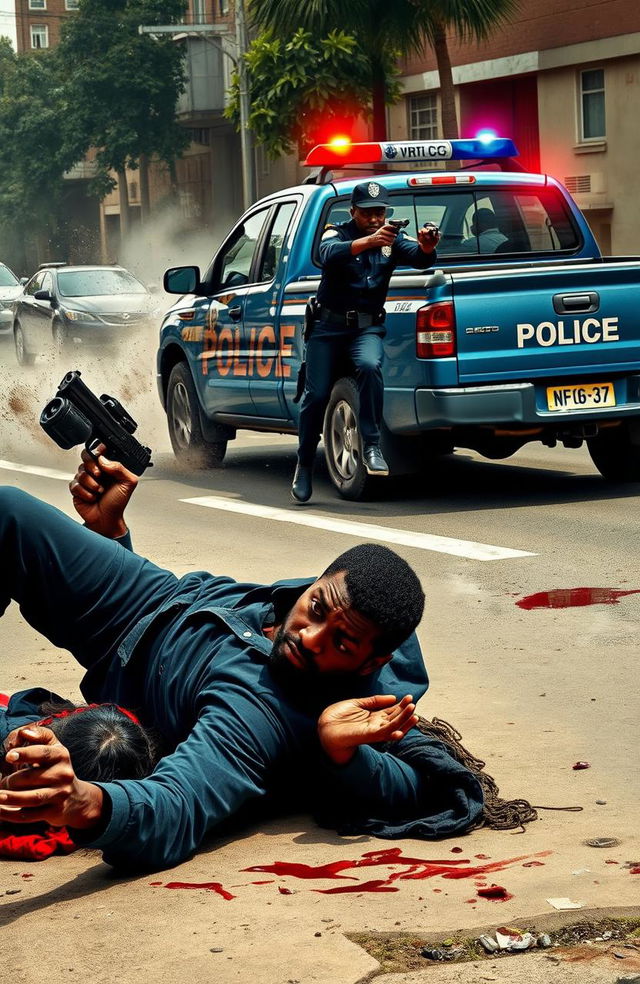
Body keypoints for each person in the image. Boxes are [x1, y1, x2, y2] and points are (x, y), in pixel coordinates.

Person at [0, 452, 482, 870]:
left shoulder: (266, 715)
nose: (309, 637)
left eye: (340, 643)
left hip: (129, 658)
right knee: (9, 510)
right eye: (316, 608)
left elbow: (177, 804)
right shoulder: (320, 604)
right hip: (150, 596)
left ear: (366, 664)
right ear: (315, 583)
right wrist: (111, 538)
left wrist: (80, 802)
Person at [291, 182, 440, 503]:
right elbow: (326, 254)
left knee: (370, 366)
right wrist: (368, 242)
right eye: (368, 213)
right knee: (315, 396)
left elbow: (419, 258)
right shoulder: (338, 232)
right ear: (353, 212)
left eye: (380, 212)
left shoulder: (392, 238)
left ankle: (371, 446)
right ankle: (303, 463)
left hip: (366, 328)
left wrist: (427, 245)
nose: (375, 219)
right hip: (327, 328)